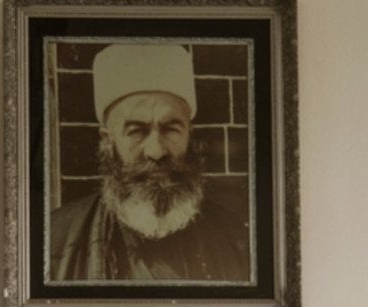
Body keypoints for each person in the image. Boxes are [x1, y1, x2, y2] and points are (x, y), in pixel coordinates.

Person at [49, 43, 249, 283]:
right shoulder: (54, 243)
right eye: (136, 131)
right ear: (107, 140)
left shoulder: (237, 239)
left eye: (171, 129)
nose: (157, 151)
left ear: (190, 134)